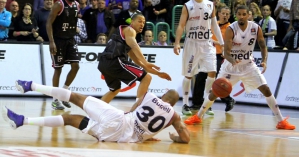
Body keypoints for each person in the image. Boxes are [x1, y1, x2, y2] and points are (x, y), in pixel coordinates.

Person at [184, 5, 296, 131]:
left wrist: (264, 61)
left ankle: (281, 121)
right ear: (236, 15)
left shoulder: (255, 28)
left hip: (248, 66)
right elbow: (225, 52)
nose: (242, 17)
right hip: (230, 67)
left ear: (248, 14)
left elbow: (263, 46)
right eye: (239, 14)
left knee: (266, 89)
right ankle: (198, 116)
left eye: (244, 14)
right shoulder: (231, 29)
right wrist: (233, 60)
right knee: (215, 92)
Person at [5, 80, 190, 143]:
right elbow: (186, 138)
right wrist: (172, 137)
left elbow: (134, 109)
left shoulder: (150, 96)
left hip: (118, 119)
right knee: (70, 119)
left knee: (75, 97)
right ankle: (22, 120)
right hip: (118, 138)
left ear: (165, 94)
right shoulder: (174, 116)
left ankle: (30, 85)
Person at [173, 0, 224, 115]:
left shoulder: (210, 4)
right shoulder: (187, 6)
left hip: (207, 43)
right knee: (189, 75)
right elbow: (181, 25)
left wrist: (221, 42)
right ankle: (185, 104)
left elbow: (214, 24)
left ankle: (206, 104)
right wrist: (177, 42)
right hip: (192, 43)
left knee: (212, 72)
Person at [98, 13, 172, 103]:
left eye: (144, 22)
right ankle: (137, 109)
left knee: (115, 89)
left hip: (103, 63)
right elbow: (135, 46)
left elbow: (138, 62)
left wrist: (158, 73)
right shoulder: (130, 30)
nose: (142, 24)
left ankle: (93, 114)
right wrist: (146, 62)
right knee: (146, 77)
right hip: (114, 60)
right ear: (132, 22)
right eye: (139, 21)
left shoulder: (126, 37)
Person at [46, 0, 80, 110]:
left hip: (70, 40)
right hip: (58, 40)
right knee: (58, 69)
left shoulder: (77, 5)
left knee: (76, 66)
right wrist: (51, 41)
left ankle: (64, 93)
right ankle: (55, 99)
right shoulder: (59, 4)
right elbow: (49, 22)